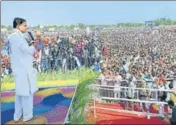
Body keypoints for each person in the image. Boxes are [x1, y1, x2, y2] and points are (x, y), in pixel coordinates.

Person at [8, 17, 38, 123]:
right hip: (23, 68)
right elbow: (27, 50)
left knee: (19, 93)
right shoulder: (19, 38)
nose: (26, 27)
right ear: (18, 26)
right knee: (27, 93)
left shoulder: (12, 36)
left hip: (18, 68)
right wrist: (33, 45)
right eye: (24, 25)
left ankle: (17, 115)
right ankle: (27, 115)